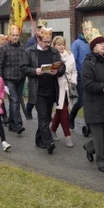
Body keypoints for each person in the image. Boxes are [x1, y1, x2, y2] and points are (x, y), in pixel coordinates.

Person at [23, 26, 66, 154]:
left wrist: (56, 71)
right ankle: (49, 142)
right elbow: (23, 68)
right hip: (38, 91)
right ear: (39, 39)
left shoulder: (54, 52)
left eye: (49, 42)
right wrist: (34, 71)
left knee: (46, 118)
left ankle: (39, 139)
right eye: (45, 42)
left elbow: (62, 68)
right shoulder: (29, 52)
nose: (48, 44)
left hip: (51, 90)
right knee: (42, 117)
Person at [81, 29, 104, 172]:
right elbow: (87, 84)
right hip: (94, 104)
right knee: (99, 134)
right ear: (93, 47)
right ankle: (101, 161)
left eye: (103, 43)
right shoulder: (89, 63)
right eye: (99, 44)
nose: (103, 45)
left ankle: (90, 147)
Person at [0, 24, 26, 135]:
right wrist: (1, 81)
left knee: (16, 103)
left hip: (20, 78)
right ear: (10, 36)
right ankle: (18, 125)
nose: (15, 37)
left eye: (17, 35)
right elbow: (0, 65)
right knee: (14, 101)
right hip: (8, 79)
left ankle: (12, 124)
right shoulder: (4, 49)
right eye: (13, 35)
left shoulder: (23, 47)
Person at [50, 35, 77, 148]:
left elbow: (74, 70)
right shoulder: (52, 56)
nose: (61, 47)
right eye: (58, 44)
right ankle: (68, 136)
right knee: (64, 112)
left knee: (60, 111)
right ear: (54, 46)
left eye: (63, 44)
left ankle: (52, 129)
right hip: (58, 88)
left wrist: (74, 81)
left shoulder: (70, 55)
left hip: (68, 87)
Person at [69, 20, 94, 129]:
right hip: (80, 77)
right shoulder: (77, 43)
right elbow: (73, 60)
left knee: (90, 102)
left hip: (92, 77)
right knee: (82, 101)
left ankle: (89, 125)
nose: (89, 32)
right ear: (83, 31)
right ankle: (72, 117)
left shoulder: (93, 43)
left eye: (90, 29)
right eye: (87, 30)